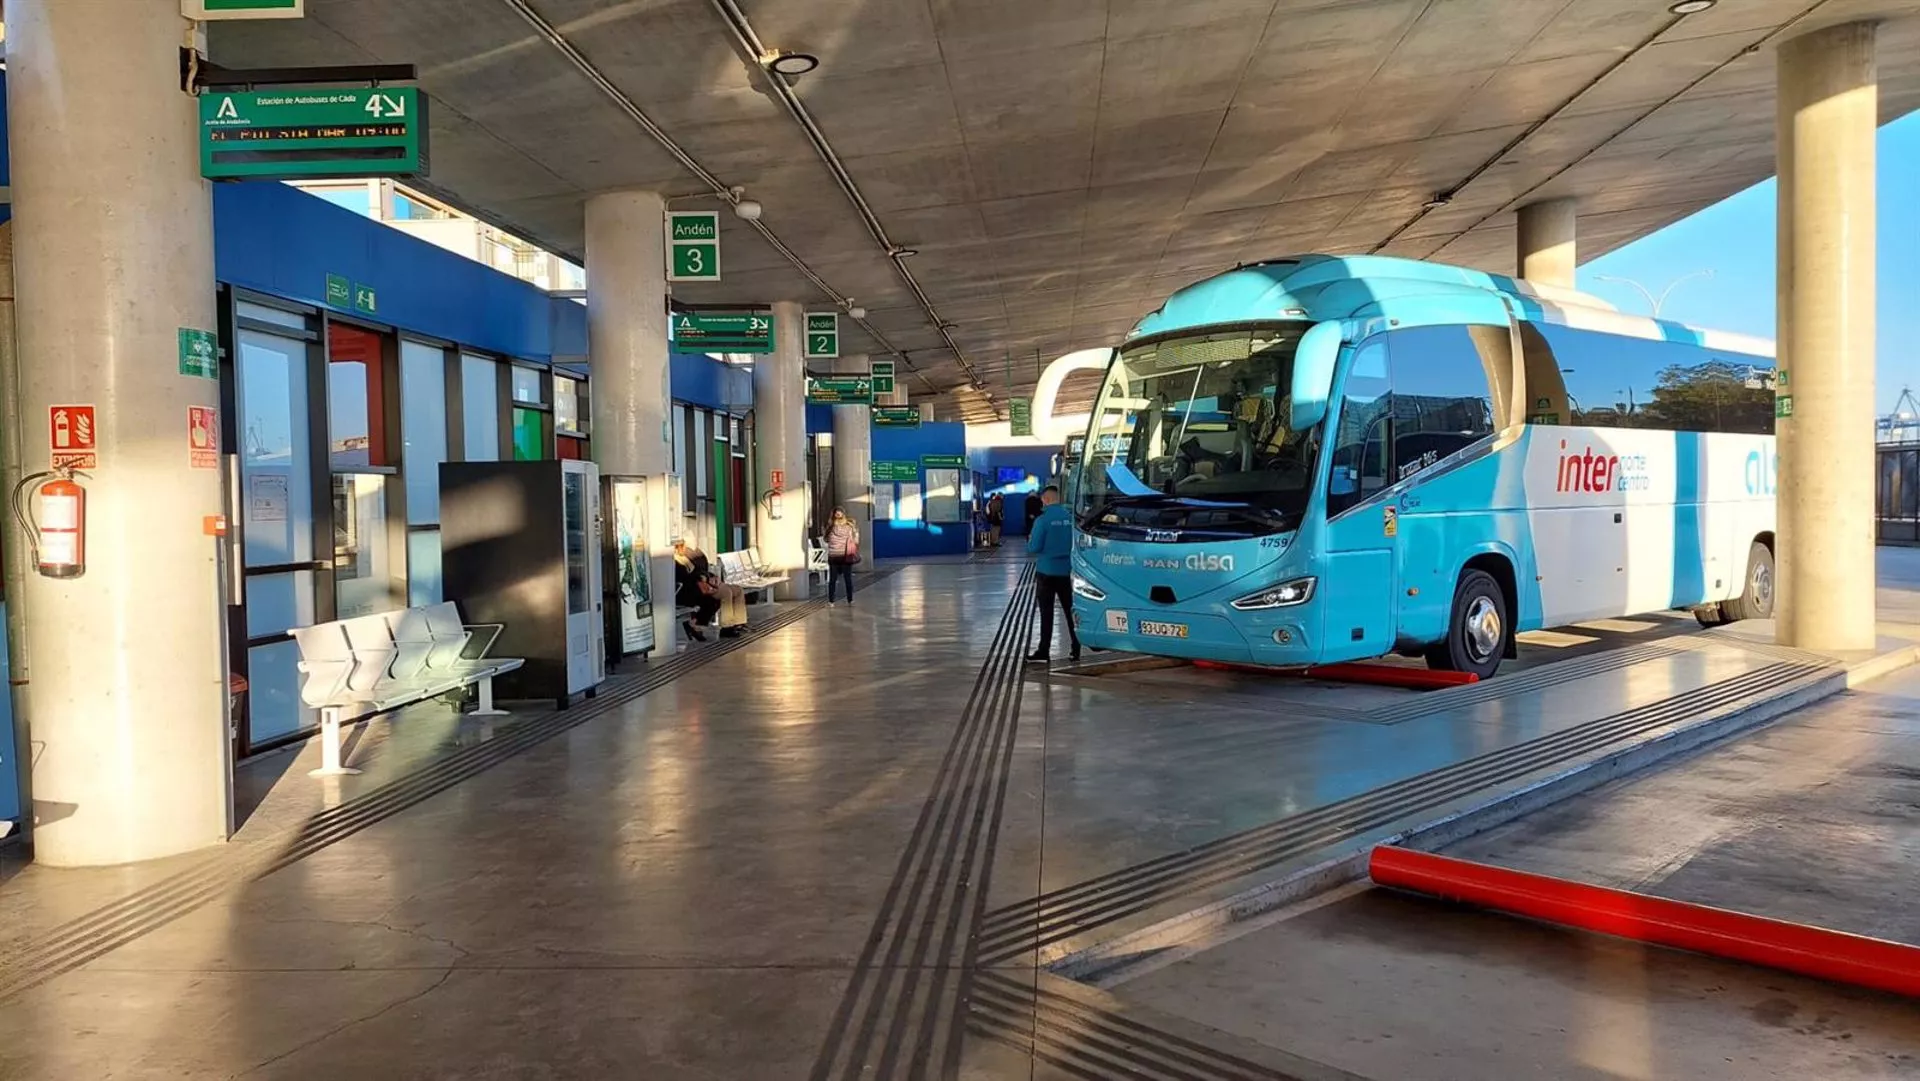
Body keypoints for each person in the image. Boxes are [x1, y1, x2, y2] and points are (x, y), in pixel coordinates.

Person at [1026, 485, 1081, 664]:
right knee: (1070, 610)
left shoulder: (1042, 520)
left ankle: (1044, 651)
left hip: (1046, 572)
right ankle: (1076, 647)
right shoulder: (1070, 518)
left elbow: (1033, 547)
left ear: (1046, 499)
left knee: (1046, 613)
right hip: (1067, 571)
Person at [673, 539, 740, 641]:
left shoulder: (689, 558)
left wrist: (707, 578)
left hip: (696, 589)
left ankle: (694, 624)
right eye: (681, 546)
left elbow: (700, 570)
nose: (684, 549)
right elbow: (683, 577)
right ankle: (697, 625)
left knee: (715, 600)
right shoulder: (673, 561)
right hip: (683, 593)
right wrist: (700, 579)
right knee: (715, 598)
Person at [824, 507, 860, 606]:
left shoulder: (830, 527)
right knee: (847, 579)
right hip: (845, 556)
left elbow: (825, 539)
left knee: (832, 580)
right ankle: (850, 600)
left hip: (833, 556)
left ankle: (831, 601)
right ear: (844, 515)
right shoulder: (849, 527)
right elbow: (855, 541)